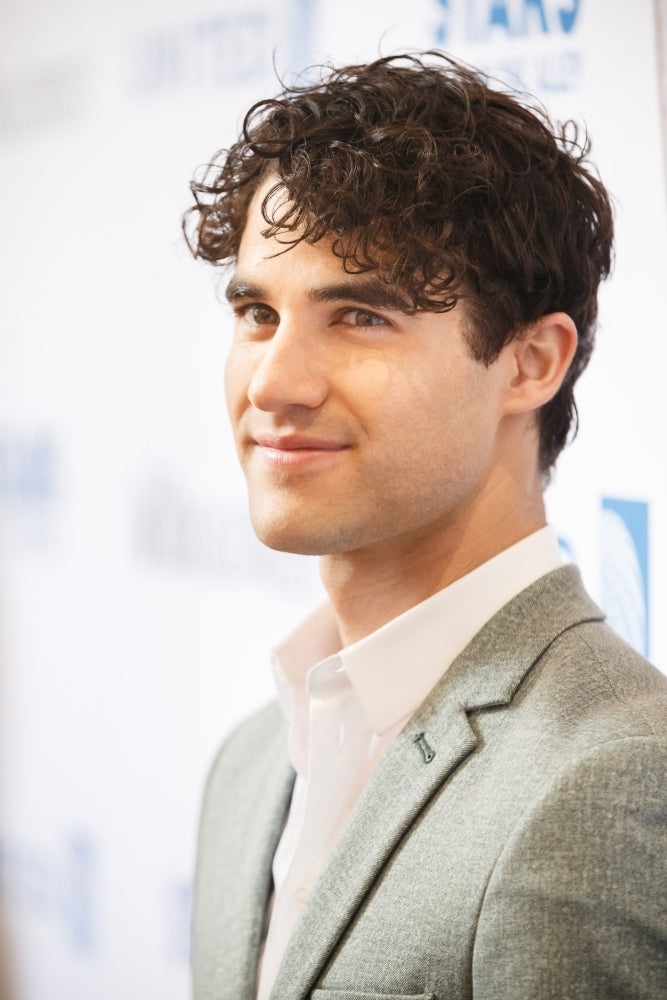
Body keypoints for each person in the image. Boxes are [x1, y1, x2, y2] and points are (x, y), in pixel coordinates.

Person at [184, 52, 667, 1000]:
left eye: (360, 316)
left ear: (530, 363)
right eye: (255, 311)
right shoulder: (249, 765)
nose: (274, 385)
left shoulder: (608, 784)